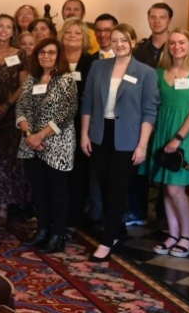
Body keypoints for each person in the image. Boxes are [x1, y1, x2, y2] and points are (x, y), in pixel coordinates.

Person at [81, 23, 159, 262]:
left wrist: (142, 145)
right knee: (103, 184)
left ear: (133, 42)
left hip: (128, 137)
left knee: (117, 186)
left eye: (124, 40)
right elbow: (88, 102)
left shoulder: (146, 72)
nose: (119, 44)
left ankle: (106, 241)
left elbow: (149, 111)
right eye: (115, 40)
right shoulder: (98, 66)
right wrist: (84, 133)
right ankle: (114, 229)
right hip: (100, 132)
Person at [144, 28, 189, 258]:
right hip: (164, 131)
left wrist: (178, 138)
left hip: (186, 135)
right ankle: (173, 234)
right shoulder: (159, 72)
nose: (176, 47)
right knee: (167, 185)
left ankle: (186, 237)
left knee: (176, 188)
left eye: (181, 42)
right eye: (172, 43)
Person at [17, 38, 79, 254]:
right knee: (39, 189)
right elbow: (22, 107)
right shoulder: (31, 79)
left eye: (51, 53)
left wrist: (40, 136)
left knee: (57, 190)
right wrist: (28, 134)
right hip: (31, 143)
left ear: (58, 56)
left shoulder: (66, 80)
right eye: (42, 52)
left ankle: (57, 234)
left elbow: (67, 112)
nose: (46, 56)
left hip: (56, 144)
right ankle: (42, 229)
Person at [0, 14, 29, 225]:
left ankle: (3, 206)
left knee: (7, 159)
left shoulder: (20, 55)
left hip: (11, 113)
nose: (3, 30)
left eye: (8, 27)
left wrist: (6, 105)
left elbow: (24, 85)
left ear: (13, 32)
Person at [60, 18, 96, 226]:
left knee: (78, 172)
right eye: (68, 33)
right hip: (55, 126)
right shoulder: (55, 60)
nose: (72, 36)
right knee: (57, 173)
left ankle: (73, 218)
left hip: (82, 124)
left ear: (84, 39)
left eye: (77, 33)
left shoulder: (91, 63)